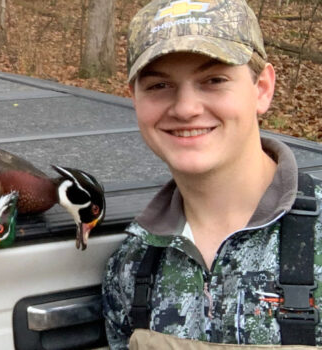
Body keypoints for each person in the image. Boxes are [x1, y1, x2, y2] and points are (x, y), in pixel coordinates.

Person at [102, 0, 322, 348]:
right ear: (134, 98)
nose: (186, 108)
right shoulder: (130, 264)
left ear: (262, 88)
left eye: (214, 80)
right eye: (159, 86)